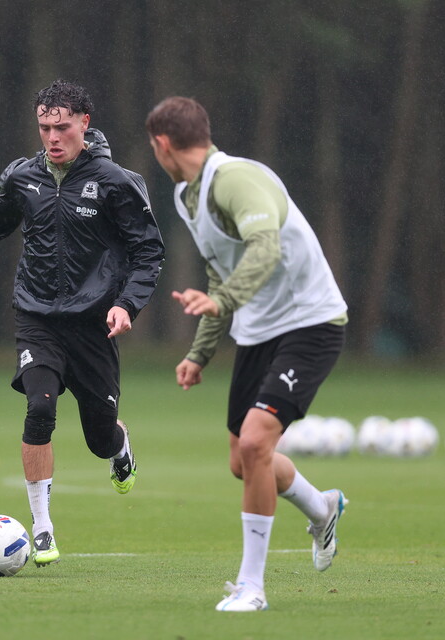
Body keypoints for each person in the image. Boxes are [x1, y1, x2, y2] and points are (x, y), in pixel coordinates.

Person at [0, 80, 165, 567]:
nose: (53, 137)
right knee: (39, 410)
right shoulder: (23, 178)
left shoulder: (115, 182)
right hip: (37, 316)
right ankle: (41, 528)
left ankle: (118, 443)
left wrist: (127, 304)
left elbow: (148, 252)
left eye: (62, 127)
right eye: (44, 127)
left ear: (85, 123)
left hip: (93, 327)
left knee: (98, 436)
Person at [145, 96, 348, 612]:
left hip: (311, 321)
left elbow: (266, 248)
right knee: (243, 461)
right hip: (259, 332)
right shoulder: (184, 196)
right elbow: (220, 271)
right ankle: (322, 508)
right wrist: (201, 353)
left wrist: (223, 301)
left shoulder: (235, 179)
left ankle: (252, 589)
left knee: (257, 443)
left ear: (162, 144)